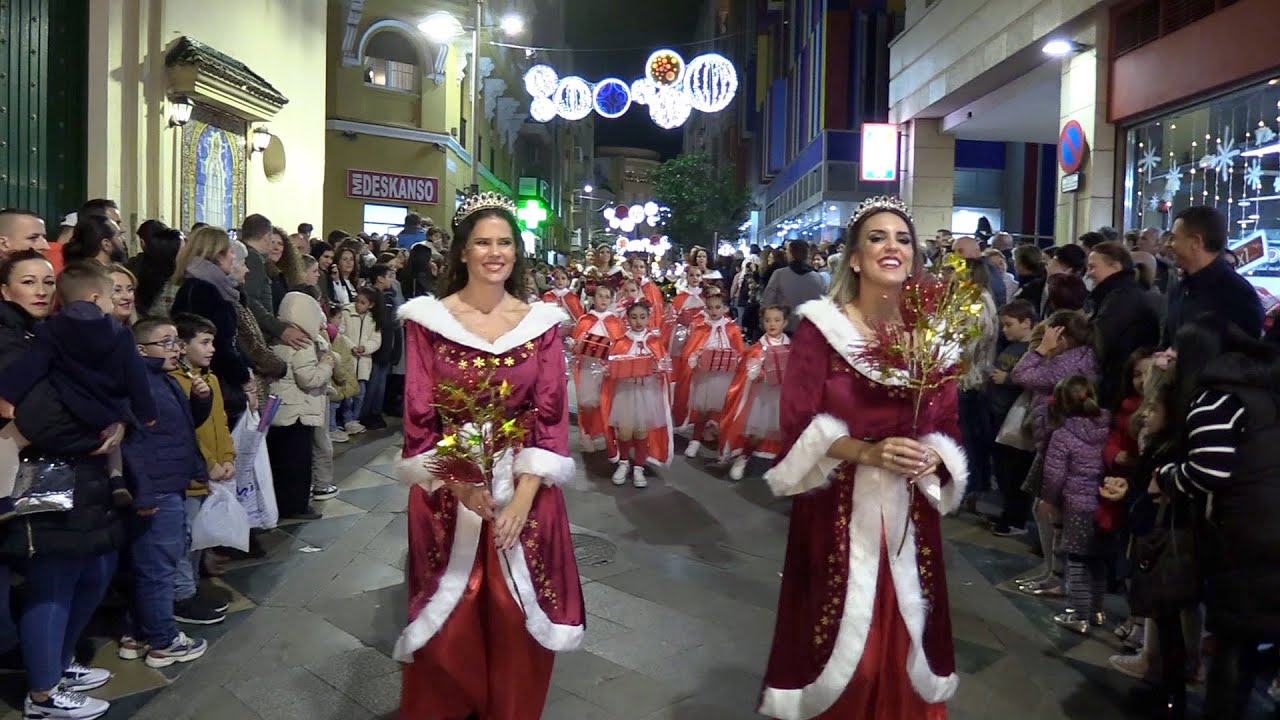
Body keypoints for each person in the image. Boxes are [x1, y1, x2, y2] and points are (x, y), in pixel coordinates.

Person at [759, 196, 966, 719]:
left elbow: (947, 425)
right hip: (836, 512)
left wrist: (932, 457)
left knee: (904, 655)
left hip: (908, 517)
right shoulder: (821, 329)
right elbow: (798, 422)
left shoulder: (933, 337)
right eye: (877, 237)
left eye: (902, 238)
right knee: (852, 656)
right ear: (854, 256)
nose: (891, 246)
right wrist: (865, 450)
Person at [394, 193, 583, 719]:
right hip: (447, 490)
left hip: (526, 488)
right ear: (461, 252)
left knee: (514, 608)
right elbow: (419, 416)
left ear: (516, 252)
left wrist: (522, 499)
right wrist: (462, 483)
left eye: (504, 242)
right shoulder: (428, 321)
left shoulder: (539, 323)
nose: (494, 252)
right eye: (482, 242)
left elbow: (549, 417)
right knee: (450, 610)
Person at [0, 251, 122, 720]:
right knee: (52, 584)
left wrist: (114, 417)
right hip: (37, 476)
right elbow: (38, 415)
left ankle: (58, 663)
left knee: (90, 574)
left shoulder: (48, 333)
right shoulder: (10, 340)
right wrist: (98, 430)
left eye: (48, 281)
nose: (42, 290)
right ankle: (44, 696)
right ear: (6, 291)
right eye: (28, 282)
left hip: (73, 473)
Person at [118, 317, 212, 669]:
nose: (176, 349)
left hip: (165, 482)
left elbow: (182, 427)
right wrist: (144, 492)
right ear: (141, 350)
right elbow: (132, 444)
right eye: (168, 343)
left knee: (148, 564)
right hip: (157, 489)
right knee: (159, 566)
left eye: (176, 341)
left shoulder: (162, 380)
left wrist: (199, 402)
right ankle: (163, 641)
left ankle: (138, 633)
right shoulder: (139, 382)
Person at [168, 313, 236, 624]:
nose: (211, 349)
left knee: (198, 537)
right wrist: (210, 463)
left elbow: (220, 422)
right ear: (181, 346)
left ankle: (192, 586)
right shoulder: (178, 383)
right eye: (204, 342)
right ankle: (182, 594)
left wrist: (228, 457)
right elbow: (189, 432)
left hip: (213, 473)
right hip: (192, 474)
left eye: (212, 342)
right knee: (184, 539)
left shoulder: (210, 379)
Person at [1039, 375, 1110, 633]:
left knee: (1078, 560)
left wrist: (1048, 499)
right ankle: (1097, 611)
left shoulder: (1062, 434)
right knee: (1097, 560)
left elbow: (1054, 474)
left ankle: (1080, 615)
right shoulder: (1106, 425)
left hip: (1077, 504)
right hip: (1104, 502)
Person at [170, 227, 254, 427]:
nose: (234, 257)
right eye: (231, 251)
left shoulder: (195, 284)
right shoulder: (206, 290)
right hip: (214, 380)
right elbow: (221, 344)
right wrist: (244, 376)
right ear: (218, 255)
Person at [268, 292, 334, 521]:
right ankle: (296, 506)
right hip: (298, 412)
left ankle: (283, 503)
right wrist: (327, 364)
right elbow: (309, 378)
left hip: (283, 410)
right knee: (298, 462)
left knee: (282, 461)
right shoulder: (302, 343)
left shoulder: (278, 339)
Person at [1164, 205, 1263, 341]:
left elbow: (1244, 357)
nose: (1167, 245)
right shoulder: (1180, 289)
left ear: (1196, 242)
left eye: (1173, 238)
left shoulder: (1238, 295)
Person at [717, 305, 791, 481]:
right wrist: (756, 373)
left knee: (784, 433)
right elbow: (747, 372)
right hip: (762, 397)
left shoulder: (792, 348)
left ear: (785, 323)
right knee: (756, 433)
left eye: (777, 320)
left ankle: (782, 467)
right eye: (768, 320)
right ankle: (743, 457)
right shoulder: (758, 348)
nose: (772, 324)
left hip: (782, 397)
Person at [603, 302, 672, 487]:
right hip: (625, 392)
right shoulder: (621, 342)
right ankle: (624, 462)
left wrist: (660, 368)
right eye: (634, 317)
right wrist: (608, 370)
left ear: (648, 318)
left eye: (642, 317)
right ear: (627, 319)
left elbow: (663, 365)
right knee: (624, 431)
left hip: (646, 392)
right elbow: (611, 366)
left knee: (641, 430)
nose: (638, 321)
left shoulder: (654, 342)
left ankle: (639, 467)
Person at [1086, 241, 1160, 411]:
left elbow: (1101, 338)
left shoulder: (1122, 298)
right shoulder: (1117, 294)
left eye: (1093, 267)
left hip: (1119, 386)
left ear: (1115, 266)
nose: (1089, 273)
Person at [674, 293, 745, 457]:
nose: (714, 311)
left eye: (718, 307)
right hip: (706, 376)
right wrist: (694, 357)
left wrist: (737, 359)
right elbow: (692, 348)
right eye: (710, 307)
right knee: (703, 409)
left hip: (725, 376)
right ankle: (695, 440)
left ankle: (723, 442)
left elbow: (740, 351)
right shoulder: (700, 327)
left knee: (724, 409)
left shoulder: (732, 329)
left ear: (725, 309)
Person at [988, 300, 1037, 537]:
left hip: (1014, 418)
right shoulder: (1012, 347)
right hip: (999, 415)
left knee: (1015, 472)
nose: (1004, 330)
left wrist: (1007, 379)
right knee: (1003, 470)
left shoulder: (1032, 351)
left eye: (1009, 325)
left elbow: (1029, 378)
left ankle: (1016, 517)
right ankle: (1008, 511)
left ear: (1026, 323)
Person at [569, 285, 624, 453]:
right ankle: (586, 433)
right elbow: (576, 344)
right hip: (587, 367)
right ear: (593, 298)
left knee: (605, 401)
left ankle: (601, 433)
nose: (603, 300)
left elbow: (620, 345)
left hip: (606, 369)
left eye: (607, 296)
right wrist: (577, 345)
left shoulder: (614, 322)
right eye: (600, 296)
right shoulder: (585, 320)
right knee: (587, 403)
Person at [336, 287, 383, 436]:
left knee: (360, 393)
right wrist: (352, 347)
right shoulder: (347, 313)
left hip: (363, 362)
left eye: (363, 303)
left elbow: (376, 340)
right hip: (349, 359)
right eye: (357, 301)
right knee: (348, 394)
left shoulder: (373, 319)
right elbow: (340, 333)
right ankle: (346, 420)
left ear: (371, 305)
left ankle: (354, 419)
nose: (358, 305)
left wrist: (365, 348)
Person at [359, 265, 400, 431]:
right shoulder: (374, 297)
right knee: (373, 383)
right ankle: (365, 414)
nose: (392, 279)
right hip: (376, 347)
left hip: (386, 346)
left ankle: (375, 413)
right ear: (380, 278)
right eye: (390, 275)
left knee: (380, 383)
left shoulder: (389, 297)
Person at [760, 239, 826, 332]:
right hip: (809, 330)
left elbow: (767, 301)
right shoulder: (818, 278)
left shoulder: (779, 274)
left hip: (783, 328)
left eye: (787, 250)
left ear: (791, 253)